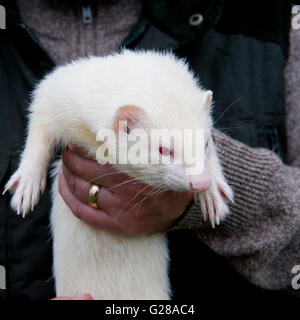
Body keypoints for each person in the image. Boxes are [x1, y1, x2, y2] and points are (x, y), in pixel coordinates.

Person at [0, 0, 299, 302]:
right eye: (166, 151)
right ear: (125, 125)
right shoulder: (78, 94)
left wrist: (222, 183)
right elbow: (49, 102)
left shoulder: (275, 21)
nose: (199, 180)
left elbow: (201, 139)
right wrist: (33, 162)